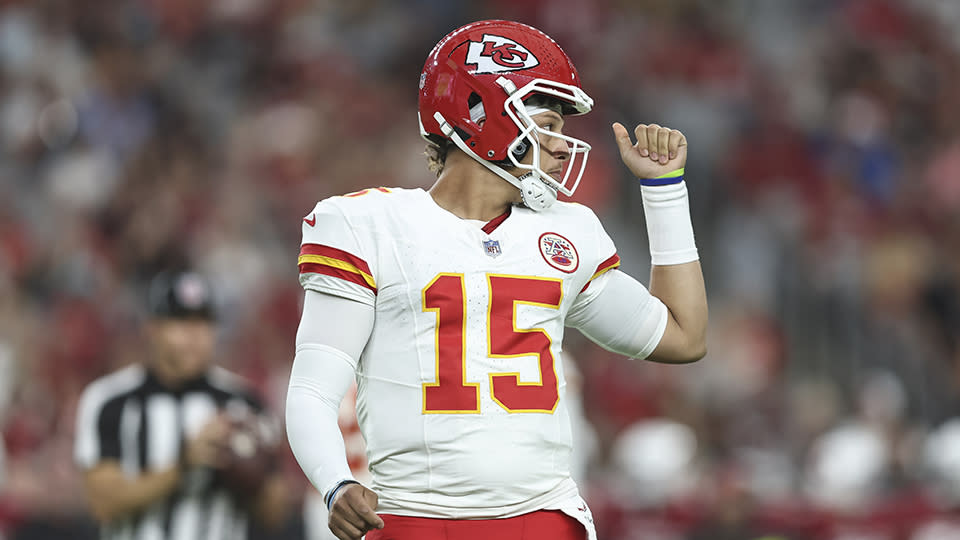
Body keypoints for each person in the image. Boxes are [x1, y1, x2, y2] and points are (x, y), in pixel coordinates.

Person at [286, 19, 708, 540]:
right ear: (478, 113)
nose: (560, 146)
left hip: (543, 518)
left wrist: (664, 191)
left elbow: (682, 336)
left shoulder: (567, 231)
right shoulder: (368, 225)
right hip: (411, 517)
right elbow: (312, 388)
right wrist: (334, 484)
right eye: (548, 123)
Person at [74, 270, 288, 540]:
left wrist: (241, 470)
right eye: (181, 322)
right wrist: (186, 465)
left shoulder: (245, 402)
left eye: (203, 323)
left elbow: (275, 513)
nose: (194, 335)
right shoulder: (110, 400)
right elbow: (102, 504)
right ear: (152, 328)